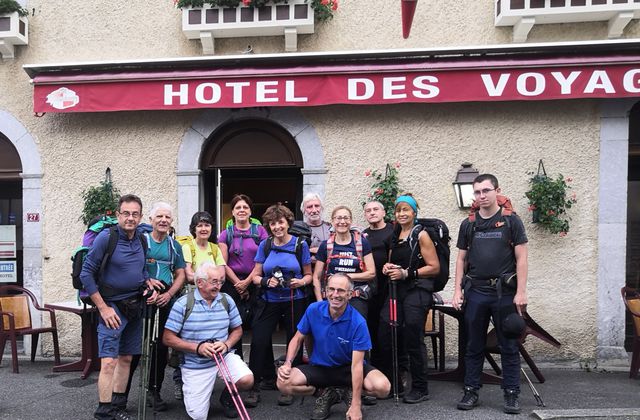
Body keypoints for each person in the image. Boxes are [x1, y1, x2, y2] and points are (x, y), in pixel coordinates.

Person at [451, 174, 528, 414]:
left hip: (504, 293)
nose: (482, 196)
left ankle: (512, 394)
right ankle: (471, 391)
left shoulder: (511, 222)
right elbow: (461, 259)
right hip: (476, 292)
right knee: (473, 345)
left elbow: (522, 258)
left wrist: (521, 292)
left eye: (486, 191)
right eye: (477, 192)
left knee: (509, 345)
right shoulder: (469, 224)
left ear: (497, 191)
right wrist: (456, 291)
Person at [80, 194, 160, 420]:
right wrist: (104, 309)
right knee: (108, 362)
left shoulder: (142, 239)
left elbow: (141, 269)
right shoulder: (106, 238)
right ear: (118, 215)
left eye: (135, 214)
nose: (130, 218)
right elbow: (87, 273)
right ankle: (103, 412)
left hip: (135, 306)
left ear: (141, 216)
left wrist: (147, 282)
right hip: (111, 307)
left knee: (126, 358)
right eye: (126, 213)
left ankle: (118, 407)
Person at [277, 273, 391, 420]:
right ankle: (325, 393)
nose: (335, 294)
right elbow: (297, 339)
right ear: (325, 291)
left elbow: (357, 366)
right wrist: (287, 363)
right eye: (331, 289)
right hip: (321, 368)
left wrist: (356, 405)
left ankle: (348, 392)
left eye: (341, 290)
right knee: (283, 383)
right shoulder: (313, 309)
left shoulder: (358, 322)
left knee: (383, 388)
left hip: (347, 369)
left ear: (350, 295)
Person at [119, 202, 187, 412]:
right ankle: (121, 397)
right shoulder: (141, 241)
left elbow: (181, 274)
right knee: (134, 347)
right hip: (142, 298)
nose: (163, 220)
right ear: (151, 220)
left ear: (171, 221)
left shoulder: (174, 246)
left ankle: (153, 391)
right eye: (159, 217)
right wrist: (147, 283)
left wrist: (168, 294)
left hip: (164, 300)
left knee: (160, 347)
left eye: (167, 217)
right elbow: (132, 267)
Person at [163, 262, 253, 420]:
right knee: (198, 416)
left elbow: (237, 330)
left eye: (220, 281)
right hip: (195, 364)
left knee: (247, 379)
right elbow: (167, 338)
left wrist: (226, 345)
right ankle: (191, 390)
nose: (218, 286)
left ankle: (228, 398)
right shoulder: (183, 304)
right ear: (199, 282)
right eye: (214, 281)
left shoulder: (226, 300)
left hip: (223, 357)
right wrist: (197, 348)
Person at [248, 203, 312, 407]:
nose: (277, 227)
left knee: (294, 343)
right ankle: (254, 386)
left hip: (295, 300)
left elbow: (309, 275)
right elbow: (256, 276)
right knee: (259, 341)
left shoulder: (299, 244)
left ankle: (288, 385)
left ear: (288, 223)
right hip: (269, 300)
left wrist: (300, 282)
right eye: (273, 223)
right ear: (268, 225)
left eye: (280, 222)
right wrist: (266, 281)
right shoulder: (265, 245)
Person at [379, 194, 440, 404]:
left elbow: (434, 267)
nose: (401, 214)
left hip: (417, 290)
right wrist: (388, 268)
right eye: (398, 210)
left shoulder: (421, 234)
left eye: (406, 210)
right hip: (397, 290)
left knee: (413, 335)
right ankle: (393, 384)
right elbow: (392, 261)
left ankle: (420, 388)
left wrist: (407, 274)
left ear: (414, 212)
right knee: (387, 333)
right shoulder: (395, 234)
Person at [218, 194, 268, 358]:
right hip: (232, 284)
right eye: (238, 207)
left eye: (245, 207)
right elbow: (223, 262)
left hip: (255, 282)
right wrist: (238, 283)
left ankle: (257, 369)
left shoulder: (260, 231)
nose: (241, 210)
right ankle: (235, 367)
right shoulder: (226, 234)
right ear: (232, 211)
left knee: (258, 326)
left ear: (250, 211)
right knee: (233, 326)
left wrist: (246, 282)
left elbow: (263, 260)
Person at [312, 205, 376, 319]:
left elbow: (371, 273)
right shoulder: (325, 245)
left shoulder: (362, 243)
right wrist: (320, 301)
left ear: (351, 221)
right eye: (338, 218)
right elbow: (316, 277)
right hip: (332, 298)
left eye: (346, 218)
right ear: (332, 221)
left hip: (356, 297)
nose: (342, 222)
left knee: (355, 331)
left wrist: (345, 277)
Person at [362, 200, 394, 367]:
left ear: (383, 213)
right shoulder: (362, 235)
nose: (372, 213)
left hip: (388, 288)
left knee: (387, 328)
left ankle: (395, 369)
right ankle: (373, 367)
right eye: (368, 210)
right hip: (370, 288)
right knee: (371, 327)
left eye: (375, 209)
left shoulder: (393, 231)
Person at [182, 211, 226, 284]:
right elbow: (189, 276)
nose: (204, 229)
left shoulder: (215, 249)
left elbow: (222, 276)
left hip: (213, 291)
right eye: (199, 226)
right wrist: (212, 281)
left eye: (207, 225)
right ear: (194, 229)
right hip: (194, 291)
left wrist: (202, 279)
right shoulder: (187, 247)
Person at [301, 193, 331, 258]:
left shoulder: (330, 229)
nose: (314, 210)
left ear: (322, 208)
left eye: (317, 206)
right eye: (309, 207)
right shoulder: (299, 229)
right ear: (303, 210)